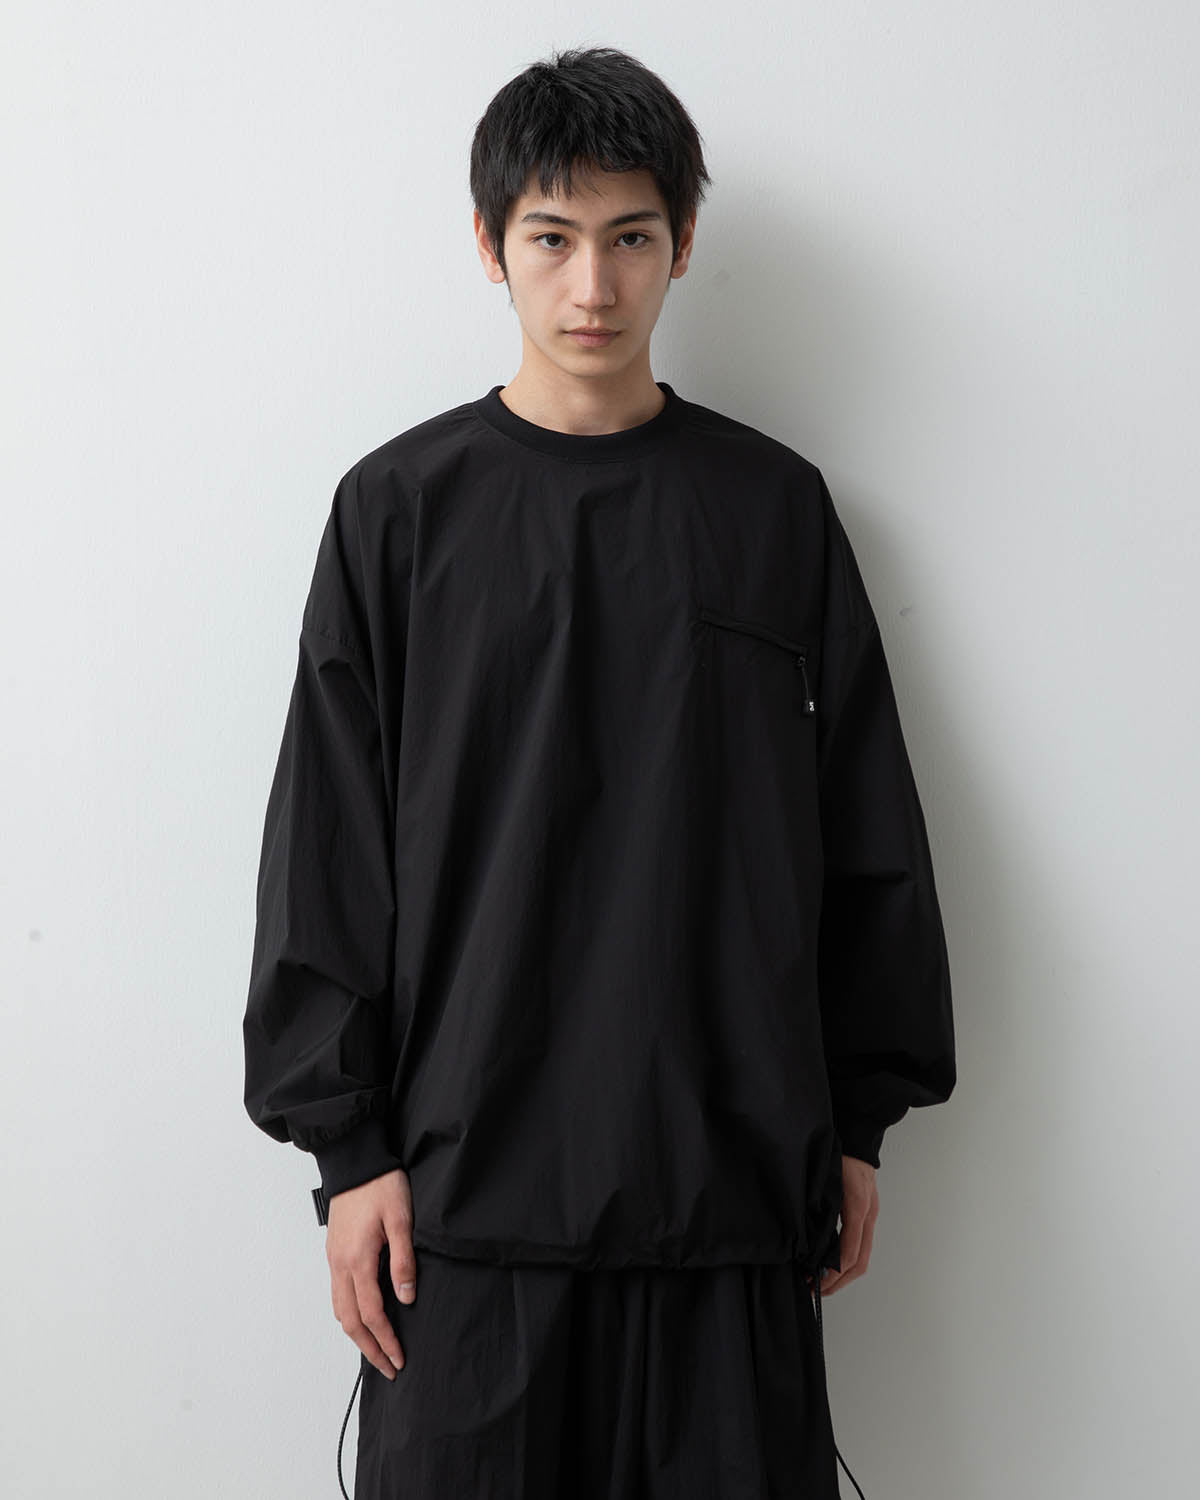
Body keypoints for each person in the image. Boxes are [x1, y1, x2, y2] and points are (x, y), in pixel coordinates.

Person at [242, 43, 955, 1500]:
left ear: (682, 243)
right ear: (490, 245)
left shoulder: (772, 510)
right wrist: (348, 1152)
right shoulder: (399, 515)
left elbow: (861, 824)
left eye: (631, 238)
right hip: (463, 1219)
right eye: (552, 239)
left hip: (729, 1200)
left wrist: (860, 1120)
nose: (592, 287)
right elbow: (327, 847)